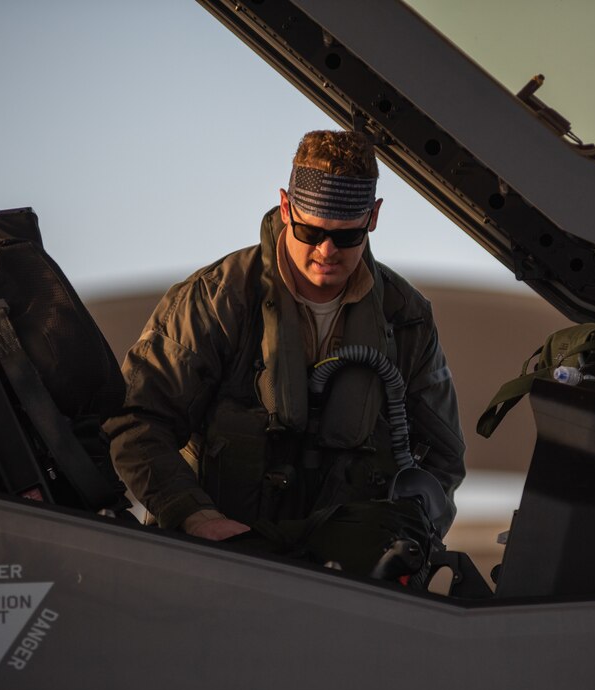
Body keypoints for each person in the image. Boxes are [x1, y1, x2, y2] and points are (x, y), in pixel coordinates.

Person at [106, 130, 465, 543]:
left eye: (347, 236)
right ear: (285, 206)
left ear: (374, 216)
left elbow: (443, 456)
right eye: (311, 232)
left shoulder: (407, 317)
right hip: (220, 554)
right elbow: (137, 421)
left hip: (347, 576)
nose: (327, 251)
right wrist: (194, 516)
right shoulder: (216, 300)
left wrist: (409, 540)